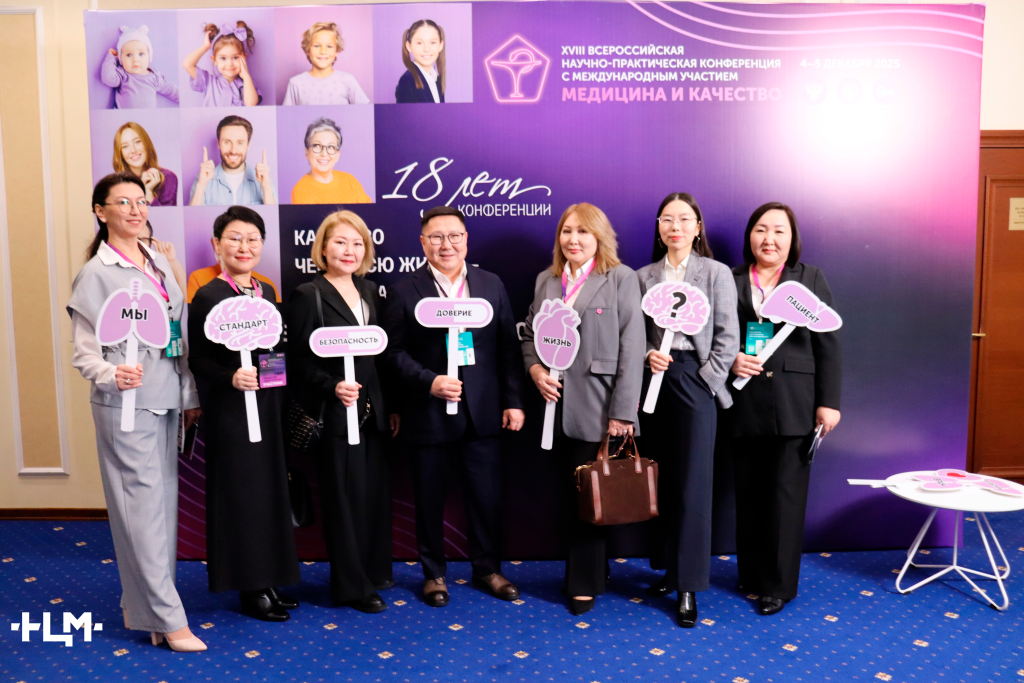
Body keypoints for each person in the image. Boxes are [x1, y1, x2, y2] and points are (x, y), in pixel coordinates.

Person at [68, 173, 204, 652]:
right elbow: (85, 353)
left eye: (140, 201)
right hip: (125, 406)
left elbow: (176, 334)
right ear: (100, 211)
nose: (134, 209)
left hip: (166, 399)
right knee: (140, 513)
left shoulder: (158, 261)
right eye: (122, 202)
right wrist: (111, 374)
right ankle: (169, 619)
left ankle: (148, 612)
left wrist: (188, 395)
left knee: (160, 511)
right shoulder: (96, 273)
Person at [381, 206, 524, 608]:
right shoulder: (404, 289)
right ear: (422, 242)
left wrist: (513, 402)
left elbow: (508, 348)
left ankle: (488, 569)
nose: (446, 244)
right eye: (436, 237)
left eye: (454, 236)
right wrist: (430, 381)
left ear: (466, 239)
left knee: (486, 498)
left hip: (483, 413)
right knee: (428, 500)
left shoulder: (490, 283)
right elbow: (392, 353)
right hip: (427, 413)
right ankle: (433, 574)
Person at [521, 203, 645, 616]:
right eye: (566, 231)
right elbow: (528, 335)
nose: (573, 239)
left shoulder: (621, 278)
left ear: (599, 237)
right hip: (553, 408)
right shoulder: (546, 280)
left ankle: (583, 583)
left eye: (583, 232)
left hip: (599, 405)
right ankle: (592, 569)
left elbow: (632, 347)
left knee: (591, 497)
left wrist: (623, 413)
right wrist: (535, 370)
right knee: (566, 496)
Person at [188, 206, 301, 622]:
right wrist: (231, 377)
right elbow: (198, 360)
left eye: (253, 239)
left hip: (267, 407)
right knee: (242, 496)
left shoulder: (266, 291)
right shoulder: (208, 295)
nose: (244, 246)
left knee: (270, 493)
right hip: (232, 412)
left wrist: (273, 383)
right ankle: (250, 587)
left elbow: (275, 350)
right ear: (217, 244)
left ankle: (269, 578)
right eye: (234, 238)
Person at [728, 202, 842, 616]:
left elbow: (828, 344)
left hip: (796, 403)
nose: (769, 239)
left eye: (779, 231)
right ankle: (751, 573)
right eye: (761, 229)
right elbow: (719, 335)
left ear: (792, 239)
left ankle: (777, 586)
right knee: (749, 494)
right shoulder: (731, 278)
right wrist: (730, 361)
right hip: (743, 401)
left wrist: (829, 402)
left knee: (786, 497)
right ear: (750, 236)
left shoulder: (809, 278)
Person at [635, 193, 739, 628]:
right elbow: (634, 333)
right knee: (660, 479)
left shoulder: (714, 273)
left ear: (698, 227)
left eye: (683, 219)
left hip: (695, 378)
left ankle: (689, 586)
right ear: (659, 227)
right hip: (654, 382)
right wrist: (647, 355)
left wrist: (707, 378)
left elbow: (728, 335)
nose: (674, 226)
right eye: (667, 219)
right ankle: (668, 569)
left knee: (694, 484)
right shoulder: (642, 277)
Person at [287, 211, 395, 613]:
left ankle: (374, 573)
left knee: (372, 497)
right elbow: (297, 361)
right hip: (335, 414)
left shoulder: (371, 291)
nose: (349, 250)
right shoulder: (308, 294)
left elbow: (378, 358)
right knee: (343, 502)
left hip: (372, 415)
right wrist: (332, 385)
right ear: (323, 248)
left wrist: (388, 407)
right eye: (340, 242)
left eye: (357, 243)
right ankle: (352, 587)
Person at [189, 115, 275, 206]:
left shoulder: (264, 180)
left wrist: (266, 187)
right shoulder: (202, 179)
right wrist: (201, 185)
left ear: (248, 145)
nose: (233, 151)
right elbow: (192, 214)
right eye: (227, 142)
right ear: (218, 144)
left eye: (240, 143)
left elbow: (274, 214)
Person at [282, 22, 370, 106]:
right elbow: (286, 115)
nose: (323, 51)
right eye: (317, 46)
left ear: (336, 51)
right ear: (308, 50)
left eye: (329, 46)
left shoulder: (347, 80)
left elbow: (366, 111)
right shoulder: (295, 83)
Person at [290, 117, 371, 205]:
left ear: (337, 155)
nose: (324, 154)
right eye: (317, 146)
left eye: (331, 147)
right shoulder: (302, 191)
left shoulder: (350, 181)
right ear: (307, 153)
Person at [183, 22, 261, 107]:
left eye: (235, 57)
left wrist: (246, 77)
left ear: (244, 58)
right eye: (223, 58)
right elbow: (187, 64)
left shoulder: (247, 84)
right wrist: (206, 46)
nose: (229, 64)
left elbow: (251, 104)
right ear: (214, 60)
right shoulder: (208, 81)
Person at [100, 25, 178, 108]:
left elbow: (171, 90)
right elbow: (108, 78)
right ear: (121, 59)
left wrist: (185, 98)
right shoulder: (123, 74)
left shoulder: (155, 77)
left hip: (148, 115)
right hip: (124, 116)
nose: (135, 60)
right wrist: (111, 57)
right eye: (129, 55)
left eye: (141, 54)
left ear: (149, 57)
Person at [112, 123, 177, 207]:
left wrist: (149, 193)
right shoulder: (115, 185)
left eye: (137, 142)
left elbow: (168, 215)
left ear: (146, 143)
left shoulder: (168, 177)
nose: (133, 150)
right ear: (120, 154)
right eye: (125, 146)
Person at [395, 20, 445, 103]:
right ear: (409, 46)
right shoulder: (407, 81)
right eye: (419, 43)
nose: (427, 49)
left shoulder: (437, 80)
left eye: (433, 42)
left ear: (440, 45)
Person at [139, 220, 186, 297]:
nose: (135, 244)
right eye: (128, 239)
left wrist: (172, 261)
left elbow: (185, 299)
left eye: (142, 241)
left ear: (151, 242)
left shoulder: (158, 270)